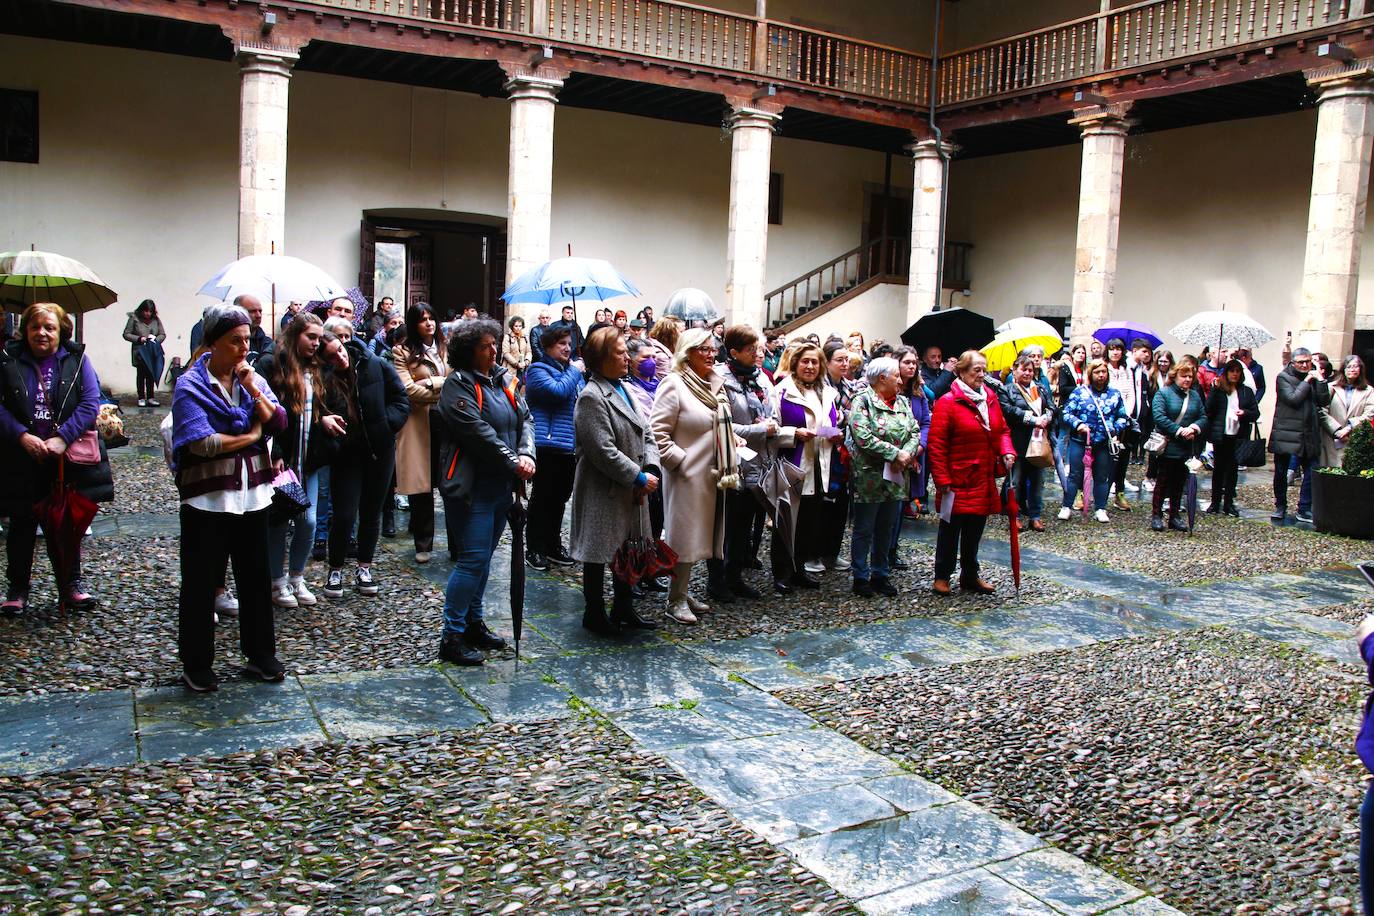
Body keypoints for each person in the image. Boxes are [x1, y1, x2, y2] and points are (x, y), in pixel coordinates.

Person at [170, 304, 287, 692]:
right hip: (208, 499)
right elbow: (202, 442)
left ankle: (260, 656)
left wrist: (255, 389)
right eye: (234, 341)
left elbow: (279, 421)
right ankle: (197, 662)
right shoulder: (190, 385)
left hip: (252, 495)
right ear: (213, 344)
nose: (243, 348)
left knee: (255, 576)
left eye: (247, 340)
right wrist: (252, 437)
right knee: (201, 582)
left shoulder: (250, 379)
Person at [0, 301, 112, 613]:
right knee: (21, 523)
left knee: (65, 522)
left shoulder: (76, 361)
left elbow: (91, 402)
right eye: (35, 327)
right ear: (25, 331)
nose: (42, 333)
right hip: (21, 456)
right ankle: (17, 588)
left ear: (61, 331)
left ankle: (70, 585)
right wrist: (22, 435)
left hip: (63, 459)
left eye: (49, 327)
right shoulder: (8, 360)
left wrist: (63, 438)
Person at [434, 318, 534, 665]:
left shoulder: (502, 382)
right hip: (472, 488)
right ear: (468, 351)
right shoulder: (457, 386)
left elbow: (526, 420)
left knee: (484, 558)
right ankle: (452, 635)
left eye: (495, 344)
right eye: (485, 346)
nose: (493, 351)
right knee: (472, 559)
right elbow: (477, 433)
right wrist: (514, 461)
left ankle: (473, 623)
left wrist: (526, 453)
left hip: (500, 486)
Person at [570, 327, 661, 634]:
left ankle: (623, 608)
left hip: (632, 487)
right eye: (620, 353)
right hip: (605, 489)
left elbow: (646, 431)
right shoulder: (591, 397)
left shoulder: (624, 388)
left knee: (629, 548)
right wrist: (637, 476)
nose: (627, 358)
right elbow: (602, 450)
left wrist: (651, 467)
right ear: (601, 358)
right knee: (598, 552)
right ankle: (593, 612)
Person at [651, 328, 738, 625]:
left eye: (713, 349)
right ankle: (674, 600)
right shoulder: (673, 384)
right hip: (687, 476)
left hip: (714, 475)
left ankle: (682, 590)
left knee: (701, 535)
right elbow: (657, 432)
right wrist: (680, 462)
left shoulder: (715, 385)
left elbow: (718, 424)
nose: (711, 354)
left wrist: (730, 440)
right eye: (703, 349)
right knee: (683, 537)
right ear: (687, 353)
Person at [258, 313, 343, 607]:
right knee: (279, 521)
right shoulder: (272, 365)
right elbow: (264, 413)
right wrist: (276, 452)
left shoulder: (316, 369)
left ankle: (297, 577)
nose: (316, 343)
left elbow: (319, 408)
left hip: (308, 460)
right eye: (311, 337)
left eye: (319, 338)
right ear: (295, 336)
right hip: (282, 463)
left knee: (307, 522)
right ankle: (276, 582)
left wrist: (325, 419)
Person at [320, 318, 410, 598]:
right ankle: (335, 569)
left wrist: (386, 425)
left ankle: (364, 567)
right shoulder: (322, 378)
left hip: (379, 450)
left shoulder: (374, 364)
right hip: (346, 453)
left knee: (371, 513)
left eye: (341, 349)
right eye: (332, 355)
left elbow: (401, 399)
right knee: (345, 514)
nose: (340, 356)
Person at [927, 350, 1015, 594]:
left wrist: (1007, 451)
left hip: (982, 477)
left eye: (984, 369)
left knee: (975, 530)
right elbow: (937, 444)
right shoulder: (948, 402)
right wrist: (942, 479)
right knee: (950, 529)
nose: (982, 375)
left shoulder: (990, 398)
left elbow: (1003, 430)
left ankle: (970, 575)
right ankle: (942, 575)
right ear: (962, 372)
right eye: (976, 370)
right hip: (957, 479)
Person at [712, 326, 783, 602]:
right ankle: (717, 581)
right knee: (725, 526)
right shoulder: (719, 379)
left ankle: (735, 576)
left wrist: (772, 426)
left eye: (759, 349)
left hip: (759, 465)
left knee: (743, 527)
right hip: (732, 465)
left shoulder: (762, 379)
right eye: (752, 350)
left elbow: (772, 415)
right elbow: (722, 427)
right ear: (734, 352)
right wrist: (759, 430)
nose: (758, 355)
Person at [771, 341, 841, 593]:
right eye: (805, 361)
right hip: (792, 465)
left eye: (815, 362)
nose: (810, 366)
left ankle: (799, 569)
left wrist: (835, 434)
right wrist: (793, 433)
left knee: (809, 523)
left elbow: (833, 421)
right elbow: (771, 429)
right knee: (786, 522)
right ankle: (782, 572)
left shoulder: (828, 393)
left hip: (819, 466)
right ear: (795, 363)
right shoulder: (781, 391)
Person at [846, 357, 917, 597]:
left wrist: (907, 453)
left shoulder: (903, 402)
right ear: (882, 378)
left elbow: (914, 430)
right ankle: (860, 575)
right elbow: (862, 436)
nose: (900, 379)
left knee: (886, 526)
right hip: (870, 476)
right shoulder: (862, 401)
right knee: (865, 527)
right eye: (896, 375)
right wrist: (895, 453)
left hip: (896, 475)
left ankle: (881, 573)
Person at [523, 324, 584, 570]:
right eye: (562, 344)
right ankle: (534, 548)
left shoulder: (569, 370)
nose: (567, 348)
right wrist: (575, 371)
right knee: (541, 499)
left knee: (560, 499)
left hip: (568, 445)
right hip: (546, 444)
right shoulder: (537, 370)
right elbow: (557, 392)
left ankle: (552, 544)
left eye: (569, 344)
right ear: (548, 346)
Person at [393, 304, 448, 563]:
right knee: (421, 485)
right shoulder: (402, 351)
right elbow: (407, 390)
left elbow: (458, 379)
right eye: (422, 319)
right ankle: (423, 543)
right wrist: (443, 389)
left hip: (448, 420)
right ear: (413, 324)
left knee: (451, 481)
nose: (429, 323)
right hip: (419, 424)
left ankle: (458, 545)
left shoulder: (446, 347)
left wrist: (430, 382)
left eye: (431, 318)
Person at [1059, 358, 1131, 523]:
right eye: (1097, 372)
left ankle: (1100, 508)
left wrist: (1114, 429)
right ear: (1091, 374)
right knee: (1074, 475)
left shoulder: (1115, 394)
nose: (1100, 375)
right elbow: (1067, 413)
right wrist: (1078, 425)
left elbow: (1123, 417)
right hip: (1080, 440)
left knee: (1101, 476)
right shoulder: (1079, 392)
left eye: (1103, 372)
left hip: (1103, 442)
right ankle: (1066, 506)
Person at [1270, 347, 1331, 524]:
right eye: (1301, 362)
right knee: (1281, 471)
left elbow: (1324, 401)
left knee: (1311, 470)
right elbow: (1293, 399)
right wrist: (1308, 381)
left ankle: (1304, 508)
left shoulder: (1313, 378)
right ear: (1293, 362)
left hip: (1307, 432)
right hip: (1286, 432)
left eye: (1308, 362)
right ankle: (1280, 505)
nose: (1305, 365)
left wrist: (1320, 382)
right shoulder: (1283, 377)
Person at [1148, 357, 1208, 532]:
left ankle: (1174, 515)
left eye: (1190, 376)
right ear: (1175, 376)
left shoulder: (1195, 396)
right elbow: (1159, 417)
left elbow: (1203, 416)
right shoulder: (1164, 393)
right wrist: (1179, 430)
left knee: (1179, 482)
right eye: (1184, 376)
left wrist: (1194, 428)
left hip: (1186, 447)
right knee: (1162, 481)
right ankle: (1156, 515)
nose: (1188, 379)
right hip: (1167, 445)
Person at [998, 353, 1056, 532]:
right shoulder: (1006, 390)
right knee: (1015, 481)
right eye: (1023, 369)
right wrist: (1032, 419)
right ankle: (1014, 515)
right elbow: (1009, 410)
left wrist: (1047, 416)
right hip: (1018, 442)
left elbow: (1052, 406)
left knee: (1038, 481)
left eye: (1030, 370)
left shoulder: (1040, 389)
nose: (1027, 373)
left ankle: (1035, 516)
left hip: (1038, 442)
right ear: (1015, 371)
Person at [1205, 358, 1260, 517]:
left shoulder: (1245, 391)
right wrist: (1214, 390)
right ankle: (1215, 502)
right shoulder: (1220, 389)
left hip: (1237, 436)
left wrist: (1245, 413)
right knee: (1218, 469)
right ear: (1226, 373)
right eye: (1232, 371)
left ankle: (1229, 502)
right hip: (1221, 434)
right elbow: (1209, 409)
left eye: (1237, 371)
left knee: (1232, 470)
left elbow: (1255, 413)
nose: (1235, 374)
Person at [1103, 337, 1142, 510]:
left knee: (1122, 458)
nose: (1115, 352)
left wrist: (1126, 414)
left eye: (1118, 349)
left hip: (1124, 418)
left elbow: (1130, 394)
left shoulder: (1127, 370)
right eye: (1112, 349)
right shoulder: (1103, 369)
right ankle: (1098, 493)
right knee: (1105, 458)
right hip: (1106, 419)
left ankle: (1119, 492)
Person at [1320, 354, 1374, 469]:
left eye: (1355, 366)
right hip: (1331, 437)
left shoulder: (1368, 391)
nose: (1352, 369)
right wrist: (1337, 431)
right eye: (1349, 367)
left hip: (1354, 436)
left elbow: (1369, 413)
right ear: (1343, 369)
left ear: (1361, 369)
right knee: (1330, 473)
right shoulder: (1331, 387)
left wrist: (1349, 428)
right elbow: (1322, 410)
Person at [122, 299, 167, 407]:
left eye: (150, 312)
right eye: (146, 311)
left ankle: (151, 397)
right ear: (142, 310)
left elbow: (162, 334)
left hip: (152, 350)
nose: (148, 314)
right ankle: (141, 397)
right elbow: (126, 334)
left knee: (151, 374)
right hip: (140, 351)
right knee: (141, 374)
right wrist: (139, 338)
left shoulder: (156, 320)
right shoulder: (134, 318)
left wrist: (156, 339)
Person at [1142, 349, 1174, 493]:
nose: (1162, 364)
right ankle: (1150, 476)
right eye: (1160, 361)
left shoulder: (1172, 377)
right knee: (1154, 447)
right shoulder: (1152, 376)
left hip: (1168, 416)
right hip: (1153, 415)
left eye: (1165, 361)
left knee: (1165, 448)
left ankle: (1161, 477)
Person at [234, 294, 275, 365]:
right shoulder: (227, 342)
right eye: (252, 311)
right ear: (237, 313)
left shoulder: (267, 344)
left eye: (260, 311)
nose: (258, 315)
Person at [502, 315, 533, 382]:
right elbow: (506, 353)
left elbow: (529, 351)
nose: (518, 328)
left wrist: (526, 361)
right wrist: (516, 364)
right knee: (510, 387)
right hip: (511, 368)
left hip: (522, 368)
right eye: (516, 326)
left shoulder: (525, 337)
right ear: (512, 326)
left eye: (520, 326)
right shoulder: (507, 337)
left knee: (520, 385)